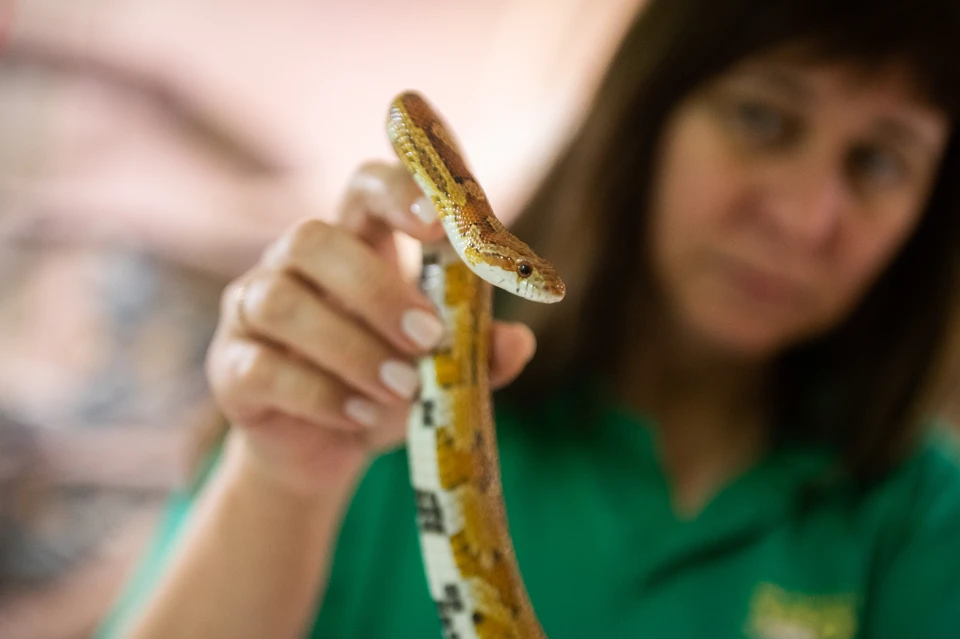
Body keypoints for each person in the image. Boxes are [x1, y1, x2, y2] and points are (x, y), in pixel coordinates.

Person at [97, 0, 960, 637]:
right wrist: (282, 478)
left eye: (879, 161)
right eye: (762, 118)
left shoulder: (920, 513)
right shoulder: (387, 361)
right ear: (641, 119)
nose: (806, 215)